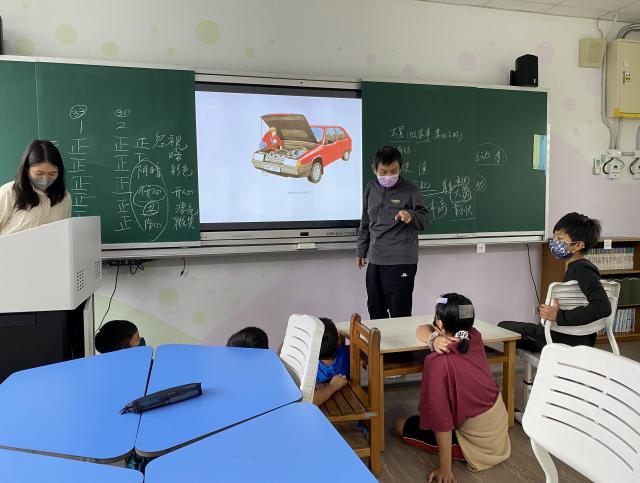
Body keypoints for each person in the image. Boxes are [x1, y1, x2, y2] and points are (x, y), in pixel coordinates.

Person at [396, 294, 510, 482]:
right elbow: (422, 328)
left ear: (440, 323)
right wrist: (433, 339)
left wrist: (445, 467)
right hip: (497, 430)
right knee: (416, 420)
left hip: (480, 447)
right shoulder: (473, 336)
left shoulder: (437, 362)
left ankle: (453, 457)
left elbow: (440, 418)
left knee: (399, 424)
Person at [498, 212, 611, 352]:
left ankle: (548, 355)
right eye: (554, 237)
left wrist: (558, 315)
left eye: (560, 238)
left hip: (561, 338)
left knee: (502, 327)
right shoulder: (579, 267)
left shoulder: (582, 270)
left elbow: (603, 307)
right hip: (571, 336)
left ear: (578, 245)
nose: (554, 242)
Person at [356, 146, 429, 320]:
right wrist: (361, 250)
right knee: (375, 309)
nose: (389, 176)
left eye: (394, 171)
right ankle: (380, 340)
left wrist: (410, 215)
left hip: (401, 261)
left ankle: (402, 340)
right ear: (374, 169)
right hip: (375, 259)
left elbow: (425, 219)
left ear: (400, 168)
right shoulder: (370, 188)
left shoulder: (410, 189)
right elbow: (365, 221)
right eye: (384, 172)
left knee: (399, 313)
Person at [0, 140, 71, 237]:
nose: (45, 179)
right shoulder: (8, 192)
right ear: (26, 169)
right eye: (39, 173)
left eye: (52, 174)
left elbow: (65, 231)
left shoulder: (63, 196)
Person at [313, 317, 350, 406]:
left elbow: (309, 402)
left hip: (321, 400)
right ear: (338, 341)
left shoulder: (309, 366)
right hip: (345, 398)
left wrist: (333, 386)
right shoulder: (347, 352)